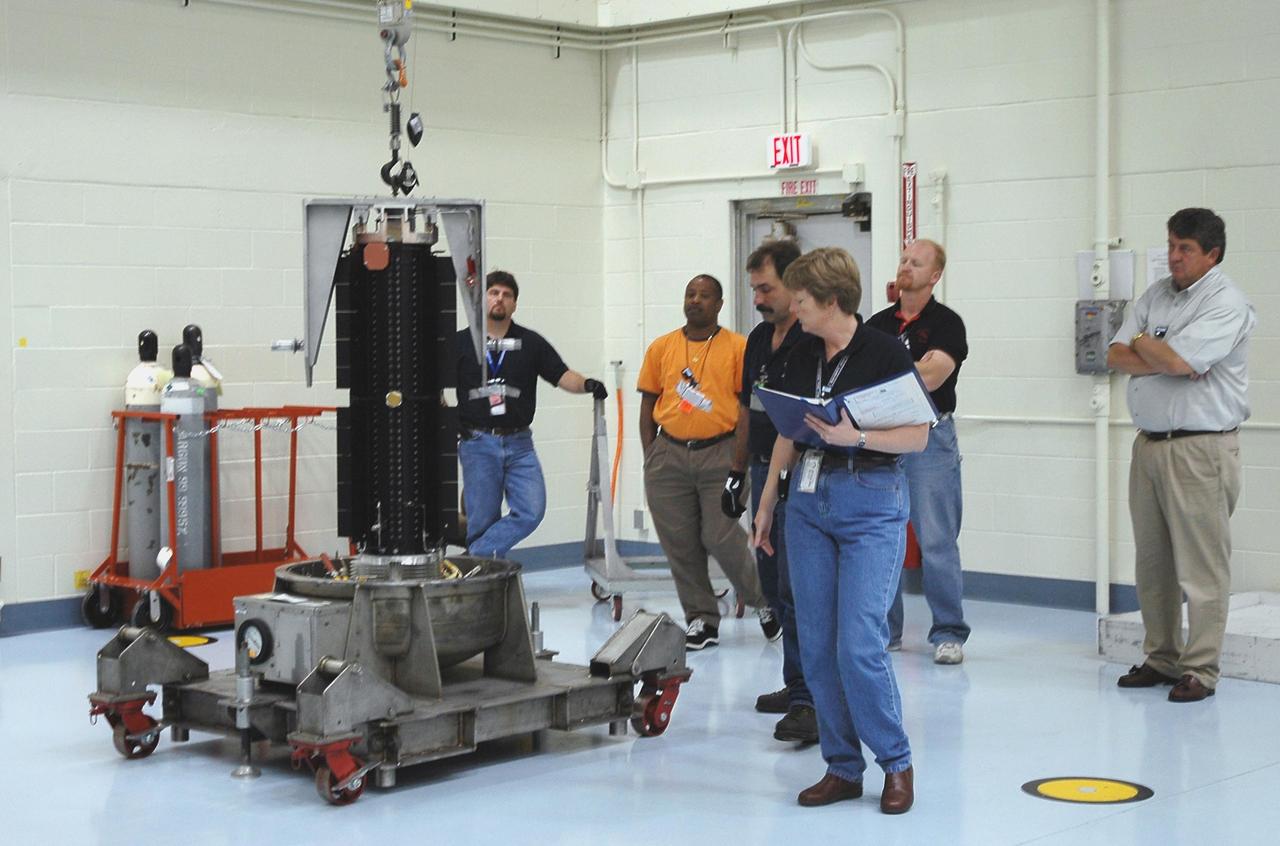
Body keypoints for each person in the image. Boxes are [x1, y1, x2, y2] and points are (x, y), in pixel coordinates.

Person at [752, 247, 927, 814]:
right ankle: (842, 767)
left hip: (870, 498)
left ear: (830, 301)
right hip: (807, 501)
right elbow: (789, 427)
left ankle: (895, 762)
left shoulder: (884, 352)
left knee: (858, 644)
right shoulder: (802, 350)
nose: (794, 308)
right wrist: (767, 501)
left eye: (801, 299)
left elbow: (918, 436)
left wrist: (859, 439)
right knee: (818, 644)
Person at [1108, 208, 1255, 703]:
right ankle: (1161, 657)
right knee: (1153, 565)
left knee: (1201, 569)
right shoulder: (1155, 296)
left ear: (1212, 254)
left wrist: (1152, 347)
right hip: (1149, 446)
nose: (1173, 256)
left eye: (1185, 249)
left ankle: (1201, 669)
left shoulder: (1226, 302)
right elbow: (1115, 354)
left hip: (1201, 449)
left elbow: (1174, 360)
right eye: (1171, 245)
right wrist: (1155, 349)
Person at [638, 274, 772, 651]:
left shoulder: (739, 348)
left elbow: (745, 411)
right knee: (679, 543)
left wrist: (739, 463)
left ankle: (765, 602)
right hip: (668, 456)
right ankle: (701, 618)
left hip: (722, 453)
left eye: (704, 295)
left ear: (719, 304)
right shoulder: (661, 347)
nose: (695, 300)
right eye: (690, 294)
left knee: (720, 535)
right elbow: (648, 404)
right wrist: (652, 455)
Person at [724, 239, 816, 742]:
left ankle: (810, 700)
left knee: (797, 589)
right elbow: (746, 409)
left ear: (794, 284)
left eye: (766, 289)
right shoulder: (759, 338)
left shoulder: (813, 338)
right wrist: (737, 472)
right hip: (761, 470)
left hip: (800, 477)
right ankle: (796, 681)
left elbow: (802, 423)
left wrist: (780, 485)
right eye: (754, 289)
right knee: (772, 583)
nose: (758, 299)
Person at [454, 270, 608, 559]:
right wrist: (449, 423)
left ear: (514, 304)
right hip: (478, 443)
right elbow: (436, 384)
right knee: (482, 519)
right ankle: (482, 570)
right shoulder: (461, 342)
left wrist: (587, 384)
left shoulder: (531, 342)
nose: (499, 299)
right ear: (482, 300)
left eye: (507, 295)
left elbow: (561, 374)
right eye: (493, 293)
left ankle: (474, 558)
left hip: (519, 444)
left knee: (531, 510)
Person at [867, 238, 970, 665]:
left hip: (930, 438)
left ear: (935, 275)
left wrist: (887, 372)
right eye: (904, 259)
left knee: (937, 540)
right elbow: (862, 378)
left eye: (917, 262)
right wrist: (909, 368)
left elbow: (933, 377)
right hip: (884, 439)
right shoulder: (877, 324)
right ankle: (886, 631)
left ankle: (948, 632)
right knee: (882, 537)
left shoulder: (947, 324)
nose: (906, 266)